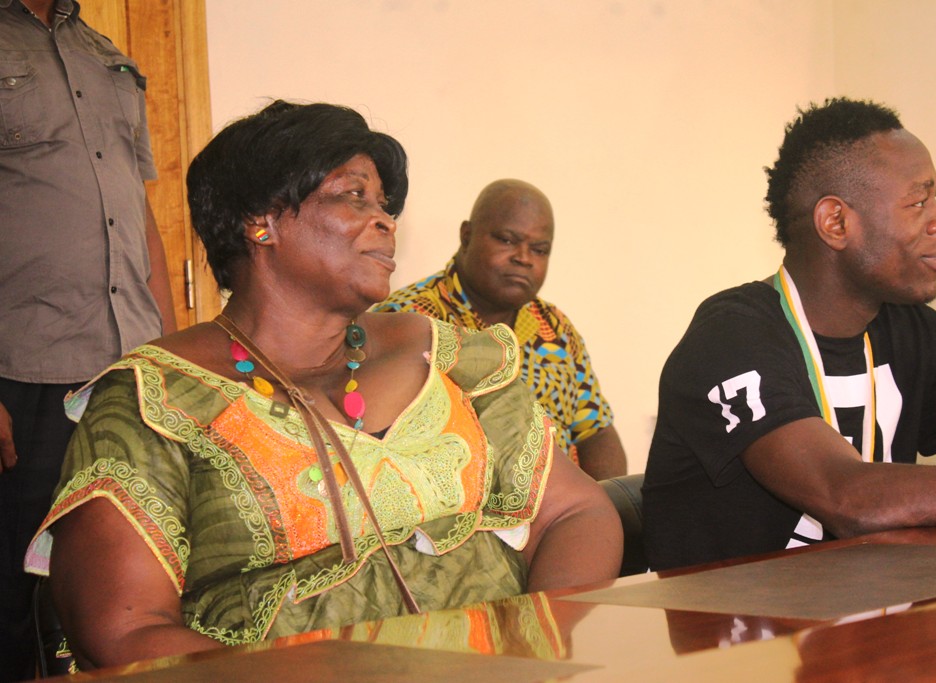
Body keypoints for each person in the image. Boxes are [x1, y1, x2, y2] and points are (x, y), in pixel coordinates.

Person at [24, 100, 622, 669]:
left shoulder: (448, 355)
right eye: (353, 196)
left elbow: (575, 513)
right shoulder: (156, 398)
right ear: (260, 221)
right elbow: (123, 630)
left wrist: (532, 646)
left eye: (385, 204)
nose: (385, 221)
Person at [643, 97, 936, 570]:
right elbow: (851, 499)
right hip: (730, 615)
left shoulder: (917, 332)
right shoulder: (730, 336)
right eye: (918, 201)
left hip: (868, 607)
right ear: (836, 222)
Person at [0, 1, 176, 678]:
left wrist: (172, 360)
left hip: (127, 373)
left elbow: (139, 211)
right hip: (24, 374)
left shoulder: (104, 53)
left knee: (123, 589)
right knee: (15, 605)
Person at [376, 180, 627, 480]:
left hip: (564, 505)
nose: (523, 258)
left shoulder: (556, 328)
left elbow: (596, 432)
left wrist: (605, 501)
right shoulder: (408, 320)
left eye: (539, 249)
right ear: (467, 236)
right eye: (507, 240)